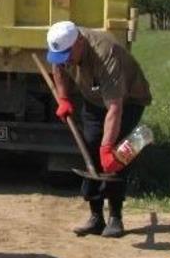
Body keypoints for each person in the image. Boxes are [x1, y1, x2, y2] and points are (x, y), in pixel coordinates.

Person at [46, 21, 152, 238]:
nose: (65, 60)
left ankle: (115, 217)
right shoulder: (63, 48)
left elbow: (115, 108)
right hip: (94, 99)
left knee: (116, 156)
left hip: (127, 101)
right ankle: (96, 217)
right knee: (90, 149)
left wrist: (107, 148)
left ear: (79, 42)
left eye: (67, 55)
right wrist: (63, 98)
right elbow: (58, 68)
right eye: (60, 56)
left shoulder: (105, 54)